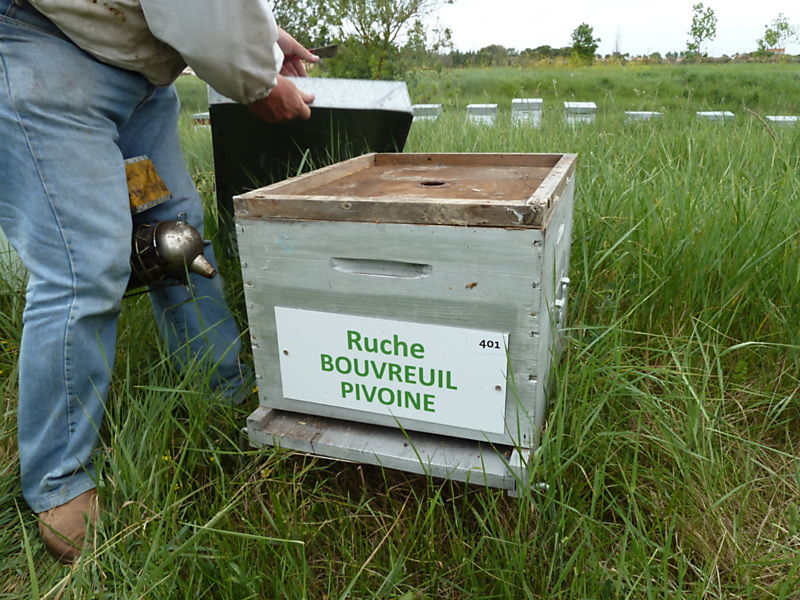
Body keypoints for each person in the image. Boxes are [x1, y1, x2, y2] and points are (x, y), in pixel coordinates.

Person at [0, 0, 318, 563]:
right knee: (84, 268)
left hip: (140, 75)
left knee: (180, 241)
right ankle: (60, 481)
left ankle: (222, 394)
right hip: (43, 48)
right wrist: (261, 80)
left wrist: (266, 37)